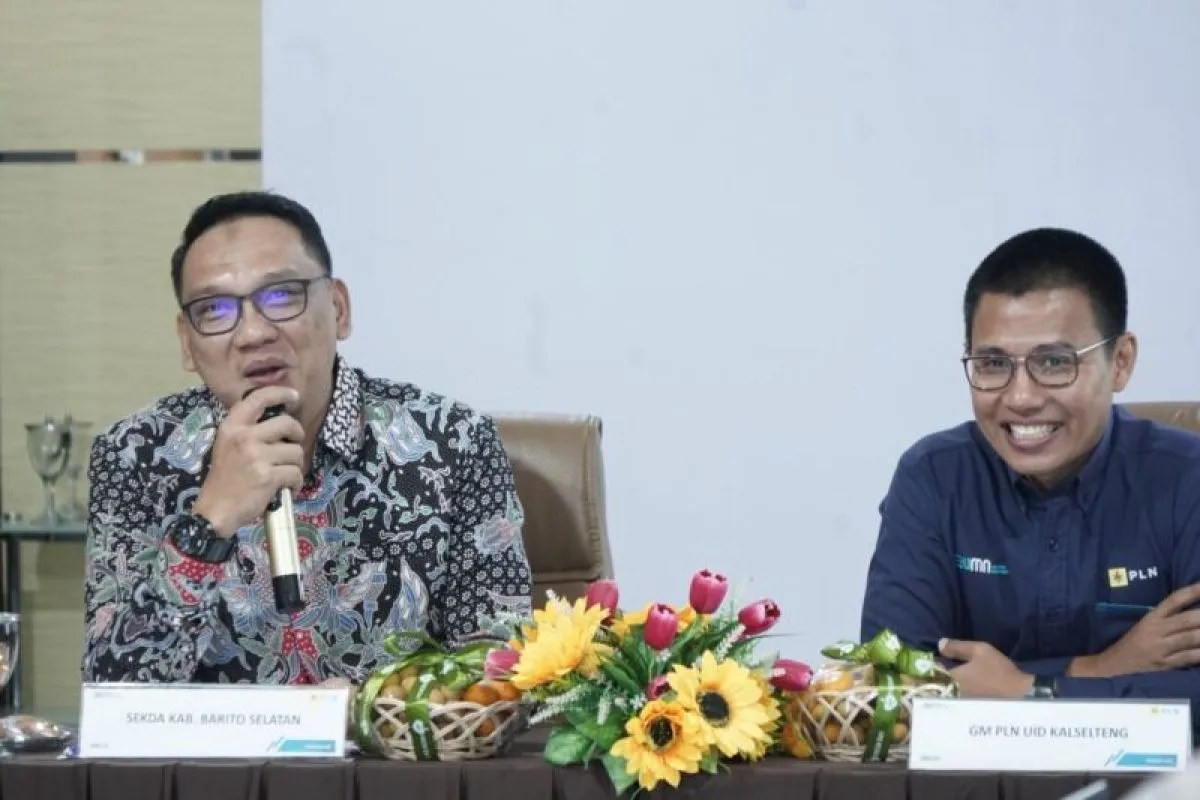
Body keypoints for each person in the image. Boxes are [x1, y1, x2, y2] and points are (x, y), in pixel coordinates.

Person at [82, 191, 533, 684]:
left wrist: (365, 708)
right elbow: (113, 689)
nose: (252, 334)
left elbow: (500, 670)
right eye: (214, 310)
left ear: (339, 308)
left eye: (281, 296)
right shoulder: (134, 456)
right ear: (187, 342)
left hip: (388, 737)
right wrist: (210, 523)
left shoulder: (455, 443)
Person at [860, 228, 1200, 731]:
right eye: (993, 364)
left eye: (1054, 362)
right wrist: (1095, 669)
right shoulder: (933, 476)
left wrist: (1024, 688)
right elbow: (892, 685)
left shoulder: (1187, 479)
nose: (1020, 397)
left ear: (1121, 362)